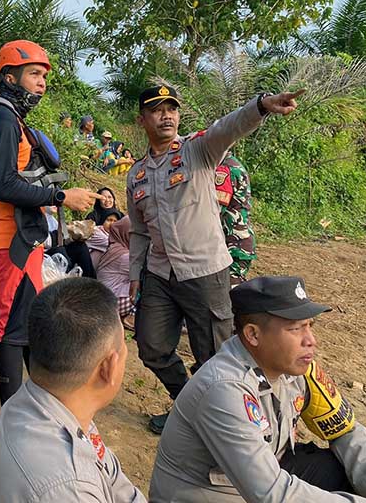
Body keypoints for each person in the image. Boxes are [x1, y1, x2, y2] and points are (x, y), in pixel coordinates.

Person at [127, 84, 305, 434]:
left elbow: (228, 126)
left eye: (172, 109)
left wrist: (261, 106)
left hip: (205, 271)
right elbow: (139, 231)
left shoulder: (198, 151)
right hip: (160, 276)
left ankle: (232, 426)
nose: (166, 115)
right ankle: (188, 407)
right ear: (142, 119)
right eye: (157, 109)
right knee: (151, 346)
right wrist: (135, 274)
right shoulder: (136, 175)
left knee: (215, 355)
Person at [150, 275, 366, 503]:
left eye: (310, 325)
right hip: (213, 496)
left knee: (343, 470)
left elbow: (345, 430)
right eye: (295, 329)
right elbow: (269, 493)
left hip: (261, 477)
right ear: (253, 335)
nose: (311, 340)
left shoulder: (296, 369)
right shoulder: (224, 390)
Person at [0, 39, 101, 404]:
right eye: (34, 74)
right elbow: (3, 183)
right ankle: (12, 416)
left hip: (16, 235)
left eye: (44, 76)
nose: (42, 82)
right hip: (6, 237)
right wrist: (61, 197)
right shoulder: (2, 118)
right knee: (13, 328)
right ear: (10, 76)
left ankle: (37, 398)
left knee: (24, 322)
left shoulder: (6, 116)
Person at [0, 277, 146, 502]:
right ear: (108, 367)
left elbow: (116, 482)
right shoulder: (68, 488)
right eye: (124, 346)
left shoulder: (35, 401)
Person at [216, 151, 257, 286]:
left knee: (229, 293)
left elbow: (215, 211)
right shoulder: (230, 164)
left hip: (233, 244)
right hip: (236, 242)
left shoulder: (224, 170)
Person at [97, 216, 135, 330]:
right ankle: (131, 318)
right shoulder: (124, 256)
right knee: (149, 284)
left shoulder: (115, 247)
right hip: (113, 304)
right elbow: (145, 270)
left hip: (104, 300)